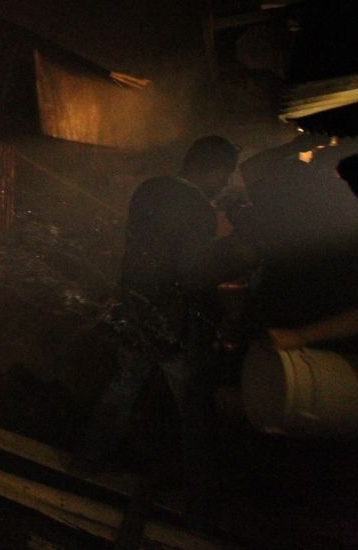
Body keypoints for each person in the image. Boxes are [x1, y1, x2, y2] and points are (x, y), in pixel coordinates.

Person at [78, 135, 252, 529]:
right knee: (193, 404)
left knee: (124, 384)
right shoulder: (198, 208)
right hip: (170, 320)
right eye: (225, 174)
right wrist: (230, 256)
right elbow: (190, 272)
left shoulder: (149, 190)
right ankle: (202, 499)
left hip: (134, 304)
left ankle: (88, 458)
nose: (225, 184)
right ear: (211, 168)